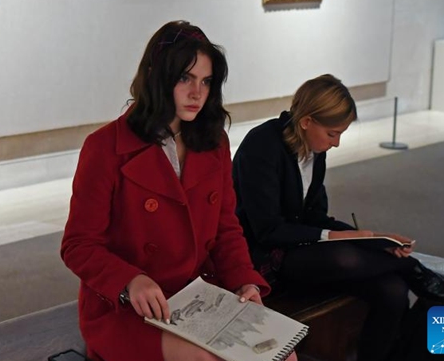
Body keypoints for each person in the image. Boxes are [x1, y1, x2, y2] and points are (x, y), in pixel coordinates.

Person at [60, 21, 295, 361]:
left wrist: (245, 281)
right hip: (125, 307)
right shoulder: (104, 148)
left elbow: (226, 229)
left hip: (197, 296)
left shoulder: (214, 143)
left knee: (282, 354)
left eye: (206, 81)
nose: (197, 93)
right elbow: (78, 245)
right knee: (206, 359)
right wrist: (130, 281)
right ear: (157, 76)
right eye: (185, 78)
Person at [232, 74, 444, 361]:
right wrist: (343, 237)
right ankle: (411, 267)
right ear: (306, 122)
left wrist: (377, 240)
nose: (336, 143)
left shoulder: (315, 147)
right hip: (264, 256)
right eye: (333, 134)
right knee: (343, 258)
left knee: (394, 291)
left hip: (302, 248)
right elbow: (268, 230)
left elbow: (314, 216)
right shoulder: (261, 145)